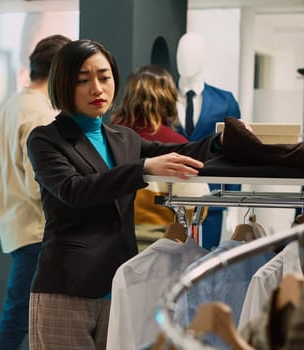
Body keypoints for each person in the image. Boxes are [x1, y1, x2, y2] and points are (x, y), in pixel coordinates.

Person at [26, 39, 224, 349]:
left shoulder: (124, 138)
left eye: (104, 77)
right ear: (64, 84)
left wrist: (220, 143)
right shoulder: (45, 139)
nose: (97, 88)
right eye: (83, 80)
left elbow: (179, 150)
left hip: (119, 286)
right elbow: (74, 190)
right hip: (66, 289)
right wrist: (143, 168)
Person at [0, 34, 71, 350]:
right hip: (37, 230)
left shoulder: (16, 103)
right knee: (19, 319)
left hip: (22, 228)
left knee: (22, 318)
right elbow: (40, 184)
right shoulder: (39, 113)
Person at [111, 65, 209, 251]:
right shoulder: (174, 145)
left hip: (107, 246)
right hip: (156, 248)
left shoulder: (106, 137)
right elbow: (196, 206)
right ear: (169, 98)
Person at [174, 32, 242, 250]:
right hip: (169, 200)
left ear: (204, 57)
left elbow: (238, 155)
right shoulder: (162, 98)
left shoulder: (225, 101)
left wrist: (233, 205)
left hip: (211, 201)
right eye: (181, 53)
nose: (186, 60)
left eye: (193, 54)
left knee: (204, 264)